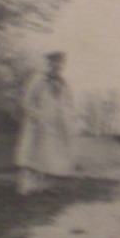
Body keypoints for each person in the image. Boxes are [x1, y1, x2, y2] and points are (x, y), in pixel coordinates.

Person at [15, 51, 77, 195]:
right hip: (37, 124)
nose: (57, 66)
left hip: (55, 125)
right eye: (54, 63)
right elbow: (26, 102)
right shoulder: (38, 80)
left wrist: (67, 118)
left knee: (49, 155)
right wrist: (36, 115)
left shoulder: (63, 83)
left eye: (60, 64)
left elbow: (68, 103)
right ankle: (26, 186)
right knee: (32, 154)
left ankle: (43, 186)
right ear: (48, 64)